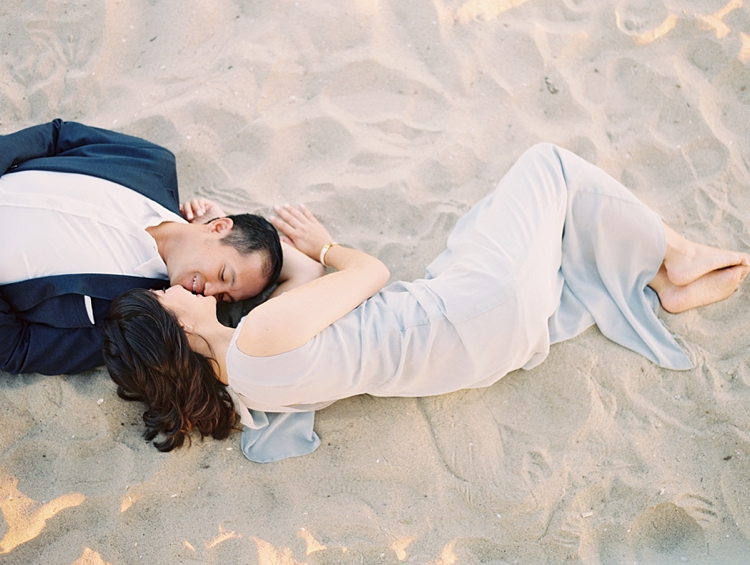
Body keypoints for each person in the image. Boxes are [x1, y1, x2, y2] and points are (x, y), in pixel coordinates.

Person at [102, 143, 750, 462]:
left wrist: (219, 224)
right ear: (170, 329)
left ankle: (658, 269)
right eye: (164, 300)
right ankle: (678, 258)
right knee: (547, 163)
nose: (173, 289)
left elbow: (297, 286)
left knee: (522, 223)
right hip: (471, 309)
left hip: (486, 353)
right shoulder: (260, 336)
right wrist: (329, 246)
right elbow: (371, 272)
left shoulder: (248, 388)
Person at [0, 119, 323, 375]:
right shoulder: (151, 163)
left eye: (223, 298)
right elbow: (59, 134)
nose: (210, 294)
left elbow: (19, 350)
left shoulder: (133, 317)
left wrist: (314, 259)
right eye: (225, 275)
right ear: (220, 226)